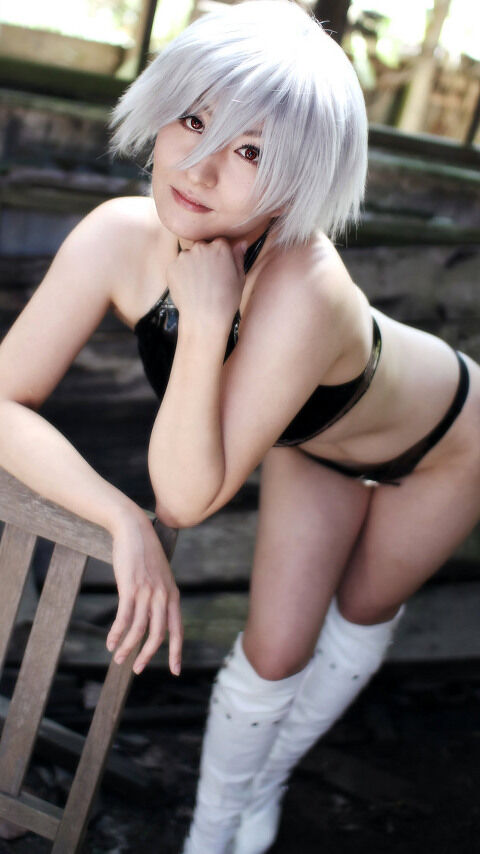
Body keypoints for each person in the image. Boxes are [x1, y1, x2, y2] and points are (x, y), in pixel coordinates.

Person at [0, 1, 478, 851]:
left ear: (300, 179)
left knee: (359, 614)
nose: (202, 164)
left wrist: (207, 315)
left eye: (251, 151)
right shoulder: (116, 235)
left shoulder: (305, 286)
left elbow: (186, 500)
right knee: (274, 652)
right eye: (193, 120)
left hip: (445, 444)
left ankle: (254, 792)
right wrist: (120, 518)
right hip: (310, 443)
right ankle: (218, 822)